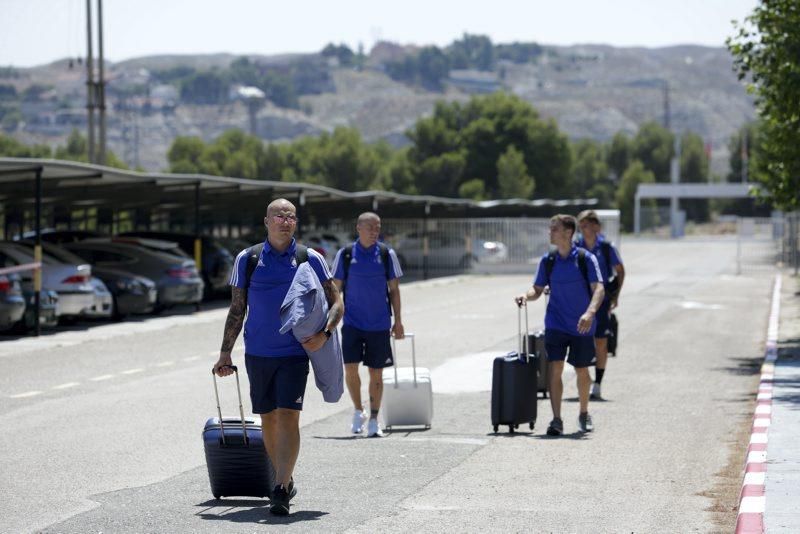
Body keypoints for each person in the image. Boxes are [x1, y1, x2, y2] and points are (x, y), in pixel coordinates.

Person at [213, 198, 343, 516]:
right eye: (279, 215)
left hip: (294, 353)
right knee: (268, 418)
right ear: (266, 221)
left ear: (295, 223)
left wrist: (324, 334)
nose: (285, 220)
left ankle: (281, 487)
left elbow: (337, 301)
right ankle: (284, 474)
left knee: (288, 416)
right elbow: (237, 309)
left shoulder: (309, 258)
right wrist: (225, 353)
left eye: (291, 216)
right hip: (257, 352)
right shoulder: (248, 259)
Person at [515, 214, 604, 435]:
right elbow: (537, 289)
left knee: (582, 370)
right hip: (555, 323)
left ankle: (584, 413)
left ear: (567, 232)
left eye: (554, 229)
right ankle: (556, 420)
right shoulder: (549, 260)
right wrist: (525, 296)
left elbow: (599, 289)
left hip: (582, 325)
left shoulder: (585, 259)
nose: (550, 232)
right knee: (555, 368)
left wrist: (590, 312)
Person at [331, 212, 404, 438]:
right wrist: (332, 318)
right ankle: (358, 411)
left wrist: (398, 321)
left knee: (376, 373)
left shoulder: (385, 254)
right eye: (370, 227)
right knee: (350, 369)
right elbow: (335, 290)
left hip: (379, 324)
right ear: (358, 228)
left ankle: (373, 419)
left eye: (378, 227)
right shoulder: (345, 254)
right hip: (352, 323)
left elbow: (394, 290)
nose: (375, 231)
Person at [576, 210, 625, 400]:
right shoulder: (576, 246)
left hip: (601, 300)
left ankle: (597, 383)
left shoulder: (606, 247)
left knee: (601, 343)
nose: (583, 229)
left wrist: (616, 295)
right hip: (580, 300)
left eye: (586, 225)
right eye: (581, 226)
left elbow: (620, 271)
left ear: (596, 227)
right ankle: (585, 379)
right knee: (580, 340)